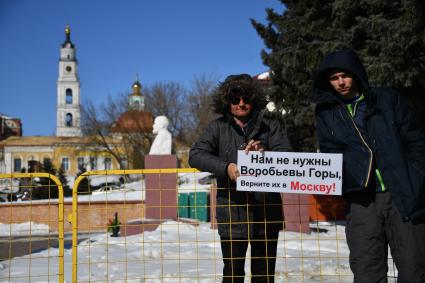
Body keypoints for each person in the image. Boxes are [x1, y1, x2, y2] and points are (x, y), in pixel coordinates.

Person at [312, 49, 425, 282]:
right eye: (334, 78)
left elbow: (415, 140)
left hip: (402, 194)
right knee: (367, 271)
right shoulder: (326, 113)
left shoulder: (386, 98)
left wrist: (417, 178)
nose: (341, 82)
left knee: (415, 269)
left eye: (345, 75)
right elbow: (329, 153)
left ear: (356, 74)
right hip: (361, 200)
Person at [189, 74, 291, 283]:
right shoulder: (217, 127)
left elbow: (287, 157)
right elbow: (196, 155)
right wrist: (227, 168)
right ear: (227, 101)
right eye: (235, 99)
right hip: (232, 212)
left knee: (264, 275)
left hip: (266, 212)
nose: (241, 104)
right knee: (233, 274)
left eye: (246, 98)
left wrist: (264, 153)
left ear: (255, 99)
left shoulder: (271, 126)